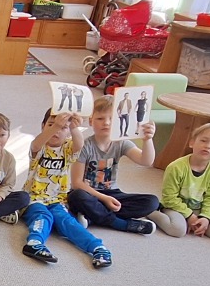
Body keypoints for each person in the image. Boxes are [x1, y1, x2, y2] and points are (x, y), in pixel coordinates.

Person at [23, 109, 112, 268]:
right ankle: (34, 243)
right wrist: (57, 125)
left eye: (63, 128)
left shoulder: (68, 148)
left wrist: (74, 127)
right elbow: (35, 144)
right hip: (34, 198)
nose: (56, 131)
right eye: (51, 125)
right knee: (43, 217)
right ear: (43, 126)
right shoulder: (40, 146)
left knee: (67, 222)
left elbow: (79, 144)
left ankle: (97, 248)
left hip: (57, 200)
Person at [68, 95, 159, 235]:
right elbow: (76, 183)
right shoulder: (85, 146)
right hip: (89, 193)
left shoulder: (121, 143)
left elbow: (146, 161)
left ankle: (93, 216)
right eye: (100, 118)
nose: (106, 123)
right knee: (76, 196)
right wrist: (104, 198)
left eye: (112, 119)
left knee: (152, 202)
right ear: (91, 121)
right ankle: (121, 223)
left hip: (112, 192)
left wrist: (147, 140)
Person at [151, 122, 210, 240]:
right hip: (174, 207)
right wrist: (189, 216)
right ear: (192, 143)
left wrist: (206, 217)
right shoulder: (176, 167)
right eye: (203, 140)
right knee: (177, 229)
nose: (208, 146)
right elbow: (170, 198)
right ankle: (151, 212)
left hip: (198, 209)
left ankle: (194, 220)